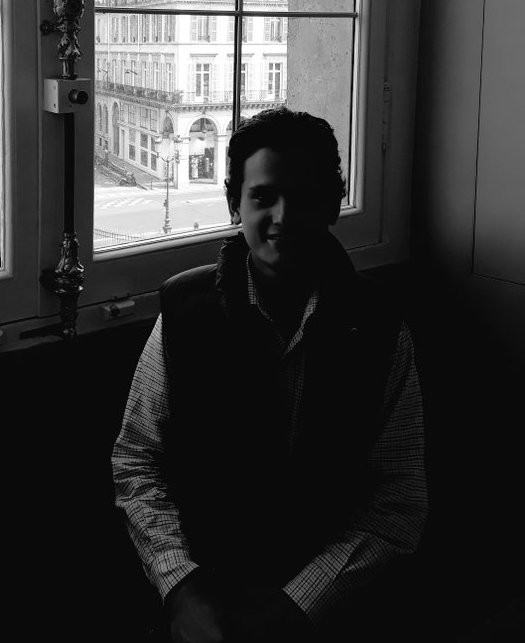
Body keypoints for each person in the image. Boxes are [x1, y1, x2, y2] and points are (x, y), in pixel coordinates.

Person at [112, 107, 428, 642]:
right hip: (203, 593)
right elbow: (138, 459)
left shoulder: (378, 328)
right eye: (263, 197)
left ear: (333, 203)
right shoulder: (185, 313)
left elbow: (398, 499)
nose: (283, 216)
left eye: (305, 197)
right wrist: (180, 587)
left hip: (328, 611)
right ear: (234, 202)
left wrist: (299, 605)